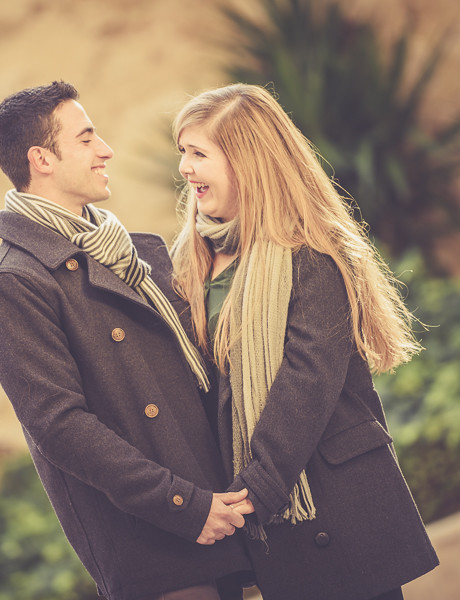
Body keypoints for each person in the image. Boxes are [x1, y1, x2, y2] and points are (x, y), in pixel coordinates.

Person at [0, 81, 255, 600]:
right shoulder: (13, 284)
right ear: (43, 159)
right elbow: (62, 427)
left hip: (219, 510)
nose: (105, 150)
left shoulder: (132, 252)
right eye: (86, 139)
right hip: (154, 540)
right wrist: (182, 506)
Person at [169, 83, 440, 600]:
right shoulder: (191, 260)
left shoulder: (312, 254)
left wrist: (249, 500)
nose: (185, 168)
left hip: (333, 508)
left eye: (198, 153)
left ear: (247, 163)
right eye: (182, 152)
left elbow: (306, 385)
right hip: (259, 517)